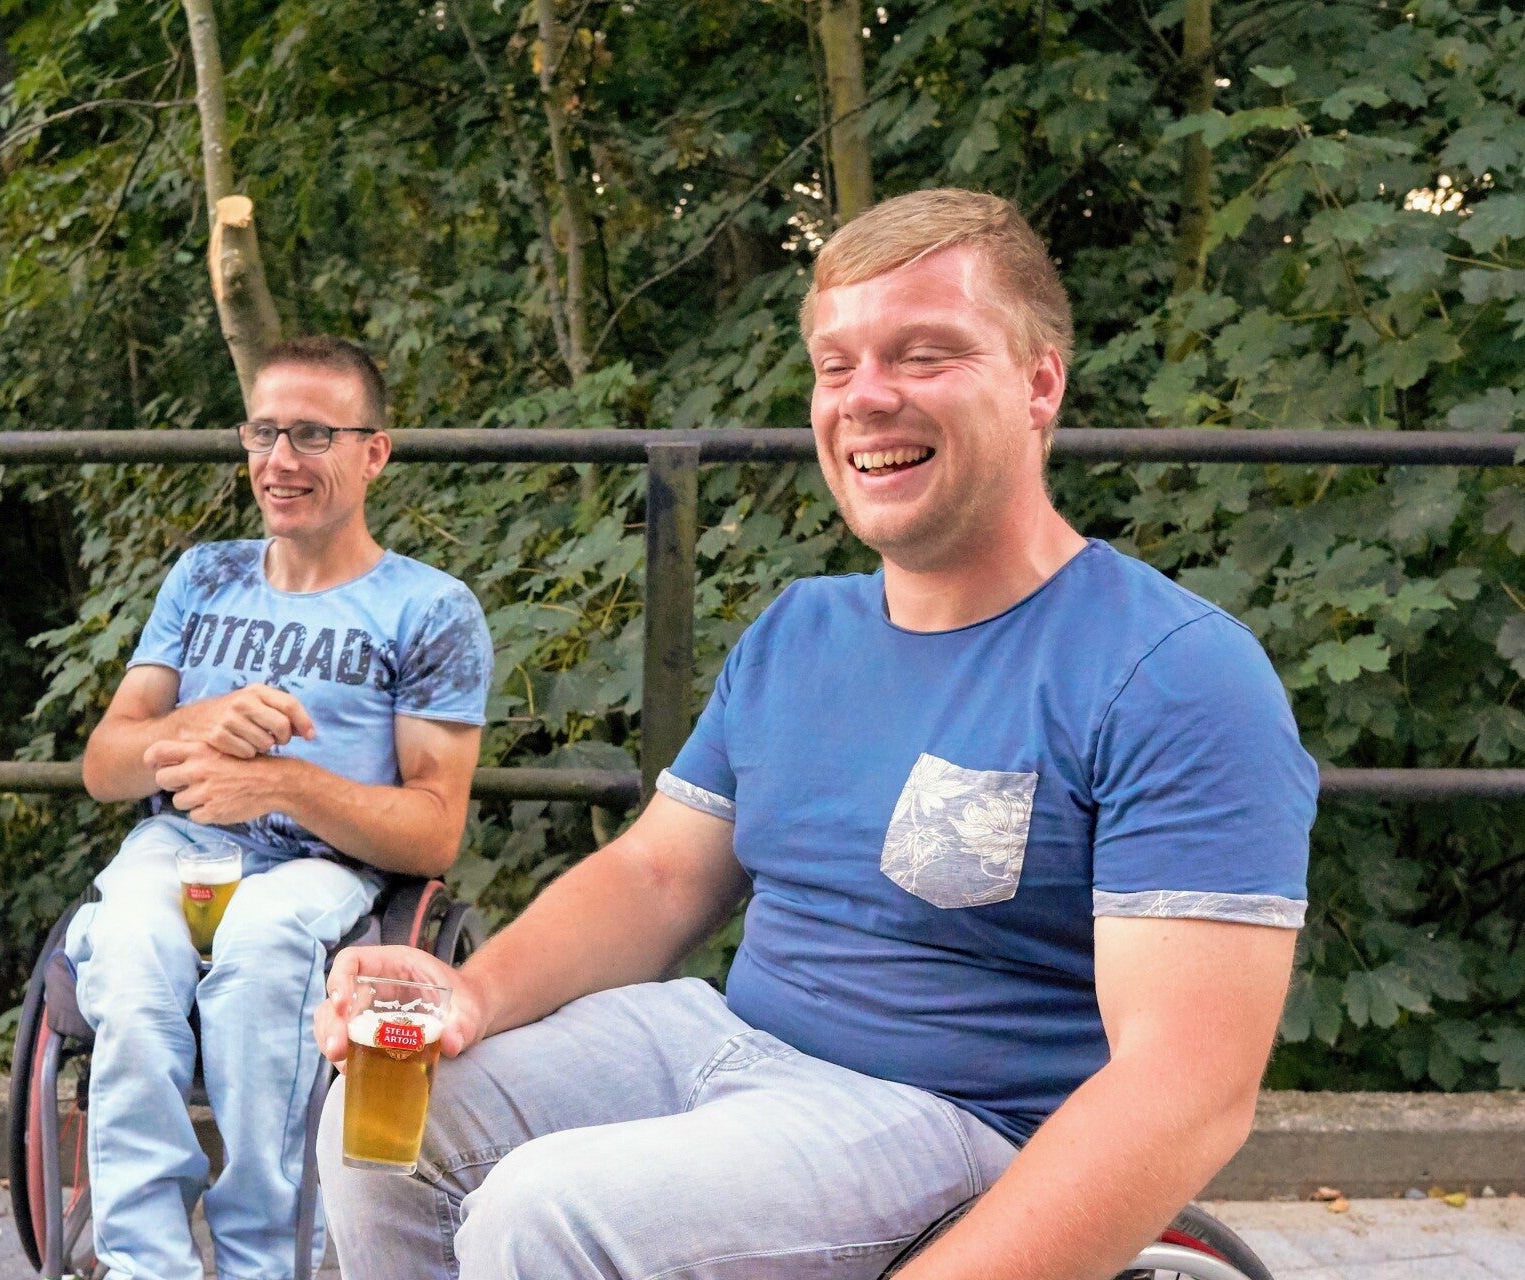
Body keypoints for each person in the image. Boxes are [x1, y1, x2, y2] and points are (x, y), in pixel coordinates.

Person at [314, 189, 1316, 1280]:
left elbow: (1185, 1089)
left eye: (924, 354)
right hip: (726, 1044)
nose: (866, 397)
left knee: (550, 1212)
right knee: (387, 1120)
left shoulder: (1171, 673)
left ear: (1040, 383)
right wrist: (469, 992)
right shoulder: (801, 629)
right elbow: (656, 877)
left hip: (952, 1117)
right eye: (836, 366)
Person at [71, 335, 493, 1280]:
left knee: (264, 945)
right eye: (264, 432)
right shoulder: (203, 577)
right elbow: (105, 766)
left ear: (374, 452)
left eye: (312, 434)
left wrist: (280, 784)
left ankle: (262, 1264)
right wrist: (200, 719)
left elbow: (434, 831)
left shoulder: (429, 609)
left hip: (322, 869)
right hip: (182, 847)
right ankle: (145, 1266)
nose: (280, 461)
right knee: (131, 952)